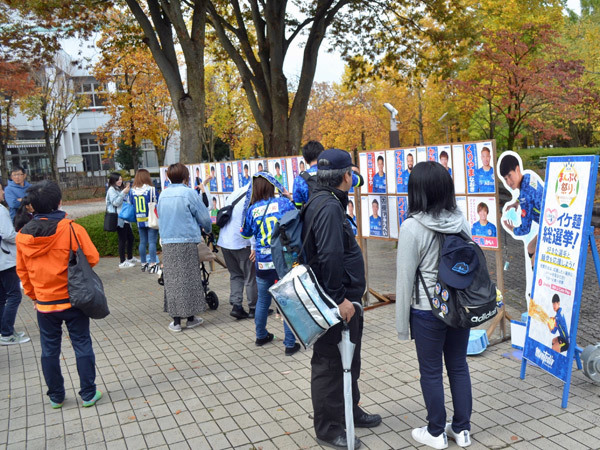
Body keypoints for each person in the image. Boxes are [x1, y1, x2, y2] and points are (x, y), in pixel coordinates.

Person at [302, 149, 381, 448]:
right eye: (352, 171)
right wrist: (338, 300)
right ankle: (329, 427)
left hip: (343, 299)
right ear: (346, 176)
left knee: (348, 359)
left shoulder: (325, 198)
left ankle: (350, 408)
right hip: (335, 302)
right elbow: (330, 256)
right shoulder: (328, 207)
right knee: (329, 363)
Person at [396, 161, 472, 449]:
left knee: (430, 371)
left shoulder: (412, 227)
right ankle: (462, 431)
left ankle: (436, 432)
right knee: (458, 366)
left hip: (427, 310)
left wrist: (402, 327)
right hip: (460, 306)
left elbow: (404, 279)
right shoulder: (461, 221)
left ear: (418, 191)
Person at [16, 181, 102, 408]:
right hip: (74, 299)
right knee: (82, 344)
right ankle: (88, 394)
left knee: (49, 349)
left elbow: (22, 272)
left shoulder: (23, 236)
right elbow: (92, 258)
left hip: (44, 304)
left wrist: (34, 296)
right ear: (59, 202)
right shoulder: (73, 229)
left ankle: (56, 396)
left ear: (32, 206)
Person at [241, 173, 300, 356]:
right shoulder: (283, 204)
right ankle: (290, 344)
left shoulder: (252, 210)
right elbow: (297, 215)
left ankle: (261, 335)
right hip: (282, 261)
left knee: (263, 300)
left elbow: (245, 234)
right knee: (286, 301)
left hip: (262, 263)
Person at [157, 163, 212, 332]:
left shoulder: (163, 194)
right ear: (185, 177)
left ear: (168, 177)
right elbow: (203, 216)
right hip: (186, 241)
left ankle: (175, 321)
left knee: (173, 281)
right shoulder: (188, 193)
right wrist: (208, 230)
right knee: (189, 279)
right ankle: (190, 318)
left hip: (168, 242)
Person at [217, 184, 258, 320]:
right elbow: (250, 222)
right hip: (242, 243)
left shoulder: (236, 193)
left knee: (235, 275)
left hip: (225, 242)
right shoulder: (252, 196)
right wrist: (253, 245)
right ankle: (254, 308)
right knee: (250, 276)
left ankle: (237, 306)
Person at [0, 183, 30, 346]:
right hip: (5, 260)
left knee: (2, 297)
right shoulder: (1, 210)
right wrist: (21, 237)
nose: (3, 192)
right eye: (0, 189)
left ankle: (4, 330)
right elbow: (7, 234)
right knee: (14, 295)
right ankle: (6, 333)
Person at [500, 154, 543, 261]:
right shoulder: (528, 177)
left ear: (517, 169)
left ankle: (536, 273)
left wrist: (511, 228)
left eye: (510, 176)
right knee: (531, 248)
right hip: (549, 220)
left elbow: (525, 229)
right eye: (505, 179)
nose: (508, 182)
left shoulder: (525, 198)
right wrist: (516, 203)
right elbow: (529, 194)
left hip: (551, 225)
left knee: (534, 259)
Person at [129, 169, 159, 273]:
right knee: (152, 242)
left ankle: (143, 264)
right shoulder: (151, 189)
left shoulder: (132, 190)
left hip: (139, 219)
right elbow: (157, 202)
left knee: (142, 242)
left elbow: (131, 203)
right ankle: (153, 264)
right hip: (151, 219)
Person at [106, 172, 137, 269]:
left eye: (120, 179)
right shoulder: (111, 190)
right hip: (119, 218)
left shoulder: (119, 188)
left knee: (130, 238)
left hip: (125, 217)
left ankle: (130, 257)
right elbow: (115, 203)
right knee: (122, 239)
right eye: (118, 180)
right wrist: (123, 192)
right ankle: (122, 261)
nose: (120, 181)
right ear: (113, 180)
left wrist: (126, 191)